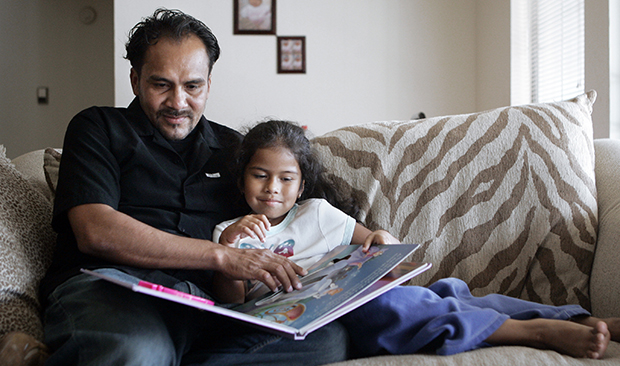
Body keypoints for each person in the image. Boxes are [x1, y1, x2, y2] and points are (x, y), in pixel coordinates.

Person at [40, 8, 348, 366]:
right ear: (135, 80)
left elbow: (286, 217)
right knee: (141, 351)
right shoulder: (98, 128)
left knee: (325, 342)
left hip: (203, 306)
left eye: (192, 86)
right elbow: (96, 231)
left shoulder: (236, 149)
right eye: (161, 85)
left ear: (208, 85)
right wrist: (221, 255)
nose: (178, 102)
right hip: (111, 291)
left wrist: (361, 248)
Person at [213, 119, 620, 360]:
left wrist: (382, 241)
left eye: (286, 179)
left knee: (450, 294)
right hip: (316, 322)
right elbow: (232, 306)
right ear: (241, 177)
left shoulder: (315, 213)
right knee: (403, 307)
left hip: (356, 296)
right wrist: (230, 248)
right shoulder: (226, 233)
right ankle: (535, 333)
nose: (272, 188)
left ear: (301, 186)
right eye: (260, 175)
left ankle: (579, 317)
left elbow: (373, 240)